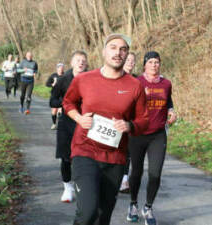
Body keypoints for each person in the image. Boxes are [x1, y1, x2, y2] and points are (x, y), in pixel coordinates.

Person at [62, 33, 149, 225]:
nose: (118, 53)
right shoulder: (84, 79)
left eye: (123, 49)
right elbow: (68, 102)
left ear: (127, 55)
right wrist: (78, 118)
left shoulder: (135, 86)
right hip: (84, 152)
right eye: (113, 48)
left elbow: (144, 120)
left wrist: (129, 126)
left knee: (103, 217)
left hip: (115, 159)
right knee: (88, 212)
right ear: (103, 52)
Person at [127, 51, 176, 225]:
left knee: (155, 174)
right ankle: (133, 204)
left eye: (157, 62)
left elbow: (168, 101)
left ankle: (148, 208)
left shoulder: (166, 83)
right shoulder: (136, 82)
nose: (154, 65)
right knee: (137, 172)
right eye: (151, 62)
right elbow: (127, 105)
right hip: (138, 133)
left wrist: (171, 111)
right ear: (144, 65)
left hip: (158, 135)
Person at [50, 51, 88, 203]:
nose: (80, 63)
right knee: (66, 158)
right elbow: (52, 101)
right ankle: (67, 188)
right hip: (67, 122)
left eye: (83, 61)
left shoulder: (92, 79)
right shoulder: (63, 80)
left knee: (84, 158)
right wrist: (67, 103)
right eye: (77, 60)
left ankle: (83, 186)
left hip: (86, 124)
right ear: (71, 63)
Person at [119, 52, 137, 193]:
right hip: (116, 118)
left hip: (131, 121)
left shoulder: (137, 80)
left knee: (128, 151)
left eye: (133, 60)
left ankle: (124, 180)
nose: (131, 62)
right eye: (128, 60)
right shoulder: (117, 76)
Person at [46, 63, 65, 130]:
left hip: (62, 95)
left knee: (61, 111)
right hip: (54, 95)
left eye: (62, 68)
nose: (61, 69)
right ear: (57, 69)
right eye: (59, 68)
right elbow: (47, 84)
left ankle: (60, 123)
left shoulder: (65, 76)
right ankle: (54, 124)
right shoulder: (53, 76)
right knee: (54, 111)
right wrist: (52, 84)